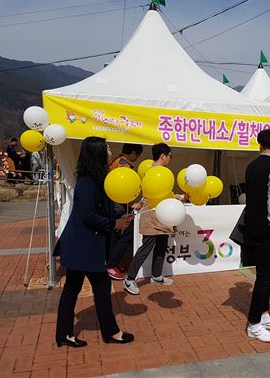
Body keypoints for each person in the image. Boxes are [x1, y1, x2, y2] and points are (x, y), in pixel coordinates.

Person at [54, 137, 135, 348]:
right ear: (98, 152)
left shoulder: (98, 177)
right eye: (107, 147)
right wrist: (114, 223)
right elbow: (88, 216)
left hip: (86, 244)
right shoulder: (87, 181)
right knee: (89, 286)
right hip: (83, 245)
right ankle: (110, 332)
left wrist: (119, 219)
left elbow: (100, 211)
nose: (110, 151)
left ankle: (65, 334)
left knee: (77, 287)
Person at [242, 129, 270, 343]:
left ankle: (265, 315)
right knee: (263, 277)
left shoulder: (251, 166)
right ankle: (254, 323)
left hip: (252, 227)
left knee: (265, 273)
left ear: (260, 144)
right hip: (267, 229)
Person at [122, 143, 181, 294]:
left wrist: (180, 197)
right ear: (163, 156)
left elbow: (164, 194)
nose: (170, 159)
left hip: (162, 216)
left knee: (161, 246)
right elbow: (155, 194)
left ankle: (156, 275)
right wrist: (180, 197)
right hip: (152, 216)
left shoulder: (156, 171)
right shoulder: (155, 172)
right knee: (146, 247)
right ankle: (129, 279)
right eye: (170, 156)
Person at [105, 143, 144, 280]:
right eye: (137, 154)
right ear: (133, 152)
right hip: (119, 206)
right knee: (127, 235)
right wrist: (131, 203)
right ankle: (112, 265)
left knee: (115, 236)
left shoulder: (116, 161)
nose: (137, 157)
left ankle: (111, 263)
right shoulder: (124, 166)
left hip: (112, 204)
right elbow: (123, 187)